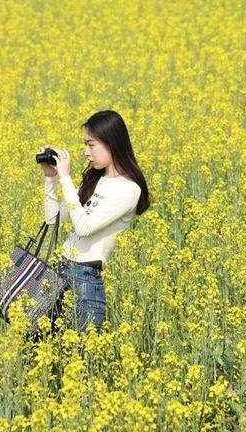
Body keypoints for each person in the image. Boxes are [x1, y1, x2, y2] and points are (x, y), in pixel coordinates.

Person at [39, 110, 150, 334]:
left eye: (91, 145)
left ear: (112, 143)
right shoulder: (94, 180)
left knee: (84, 359)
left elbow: (84, 227)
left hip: (85, 280)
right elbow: (53, 219)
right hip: (60, 269)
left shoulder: (128, 189)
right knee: (42, 347)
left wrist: (66, 178)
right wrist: (50, 177)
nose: (85, 152)